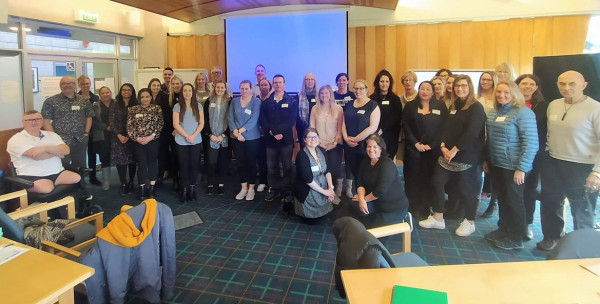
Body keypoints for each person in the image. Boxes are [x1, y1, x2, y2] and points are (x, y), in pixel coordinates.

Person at [537, 70, 600, 251]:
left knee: (582, 208)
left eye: (572, 84)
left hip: (583, 167)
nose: (566, 88)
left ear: (584, 85)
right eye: (562, 84)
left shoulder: (595, 108)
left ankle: (585, 246)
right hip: (554, 162)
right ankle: (552, 238)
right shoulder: (554, 105)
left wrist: (597, 172)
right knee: (550, 202)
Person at [419, 75, 486, 237]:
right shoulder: (455, 105)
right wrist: (442, 146)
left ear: (470, 87)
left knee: (466, 190)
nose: (460, 88)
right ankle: (438, 217)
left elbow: (472, 132)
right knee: (437, 182)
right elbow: (446, 128)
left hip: (466, 155)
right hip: (447, 154)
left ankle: (469, 222)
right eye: (457, 86)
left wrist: (454, 150)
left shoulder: (476, 107)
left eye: (463, 85)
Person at [483, 81, 538, 250]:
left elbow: (531, 143)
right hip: (497, 164)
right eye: (499, 92)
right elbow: (489, 140)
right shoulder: (493, 113)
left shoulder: (524, 113)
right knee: (503, 199)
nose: (502, 95)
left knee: (514, 201)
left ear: (514, 94)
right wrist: (486, 160)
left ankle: (516, 237)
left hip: (515, 167)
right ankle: (504, 229)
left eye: (506, 92)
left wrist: (522, 168)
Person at [402, 81, 449, 219]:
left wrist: (434, 144)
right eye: (422, 88)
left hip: (433, 151)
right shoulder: (410, 106)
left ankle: (426, 206)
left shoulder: (440, 106)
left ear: (433, 92)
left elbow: (444, 127)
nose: (424, 91)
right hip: (413, 149)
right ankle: (413, 206)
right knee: (413, 178)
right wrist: (416, 143)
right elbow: (406, 126)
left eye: (428, 89)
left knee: (429, 178)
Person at [7, 110, 80, 194]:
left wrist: (44, 149)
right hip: (33, 176)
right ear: (23, 122)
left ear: (42, 120)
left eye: (38, 119)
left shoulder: (52, 135)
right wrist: (57, 152)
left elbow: (66, 150)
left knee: (76, 178)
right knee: (47, 188)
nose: (34, 122)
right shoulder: (16, 139)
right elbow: (37, 156)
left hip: (57, 173)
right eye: (30, 120)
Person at [516, 73, 548, 240]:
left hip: (535, 155)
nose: (527, 86)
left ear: (536, 87)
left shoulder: (544, 107)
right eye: (524, 83)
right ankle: (509, 222)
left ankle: (527, 223)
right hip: (513, 153)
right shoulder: (511, 104)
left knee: (529, 189)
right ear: (518, 86)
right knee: (512, 190)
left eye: (531, 84)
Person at [352, 134, 409, 228]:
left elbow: (380, 190)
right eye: (369, 146)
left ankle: (405, 218)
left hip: (393, 207)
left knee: (377, 236)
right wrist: (361, 199)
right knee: (355, 208)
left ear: (381, 148)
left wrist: (363, 200)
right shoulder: (365, 162)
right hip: (375, 202)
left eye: (375, 147)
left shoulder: (387, 164)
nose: (371, 149)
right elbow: (360, 182)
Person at [41, 76, 95, 171]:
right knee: (62, 165)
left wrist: (86, 133)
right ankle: (65, 184)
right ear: (60, 86)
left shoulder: (83, 100)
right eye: (64, 83)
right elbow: (46, 121)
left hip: (80, 139)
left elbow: (89, 117)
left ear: (75, 86)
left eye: (70, 83)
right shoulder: (51, 101)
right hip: (61, 140)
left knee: (80, 165)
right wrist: (54, 138)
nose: (67, 85)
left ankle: (80, 184)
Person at [259, 74, 298, 203]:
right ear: (272, 85)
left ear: (284, 84)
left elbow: (291, 120)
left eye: (280, 82)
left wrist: (279, 131)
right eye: (275, 82)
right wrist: (272, 132)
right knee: (272, 167)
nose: (277, 85)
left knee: (287, 166)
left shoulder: (291, 101)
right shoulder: (266, 102)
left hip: (286, 140)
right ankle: (274, 189)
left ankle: (287, 191)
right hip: (270, 141)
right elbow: (263, 120)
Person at [342, 80, 381, 197]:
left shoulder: (373, 105)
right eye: (355, 88)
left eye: (361, 88)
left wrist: (356, 139)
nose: (358, 91)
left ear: (367, 89)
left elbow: (373, 127)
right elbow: (343, 123)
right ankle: (359, 197)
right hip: (349, 145)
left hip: (365, 146)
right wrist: (345, 138)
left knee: (365, 173)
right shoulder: (349, 104)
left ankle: (367, 198)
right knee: (355, 172)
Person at [127, 88, 163, 199]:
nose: (145, 99)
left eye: (147, 96)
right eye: (142, 97)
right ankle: (142, 187)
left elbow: (160, 124)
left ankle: (152, 187)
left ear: (151, 97)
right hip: (138, 142)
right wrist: (136, 138)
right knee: (141, 164)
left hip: (152, 140)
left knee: (152, 163)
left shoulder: (157, 108)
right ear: (139, 98)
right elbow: (129, 126)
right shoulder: (133, 109)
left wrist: (151, 137)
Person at [229, 80, 262, 201]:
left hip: (252, 138)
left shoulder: (256, 101)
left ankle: (251, 188)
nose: (244, 91)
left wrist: (240, 131)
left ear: (251, 89)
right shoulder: (234, 101)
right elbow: (230, 118)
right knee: (240, 163)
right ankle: (243, 188)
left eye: (246, 88)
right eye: (242, 88)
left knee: (251, 163)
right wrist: (236, 133)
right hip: (236, 138)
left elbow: (254, 120)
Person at [294, 128, 335, 224]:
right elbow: (308, 181)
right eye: (310, 137)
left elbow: (327, 170)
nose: (313, 139)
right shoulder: (301, 155)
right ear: (304, 140)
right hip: (308, 189)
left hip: (323, 186)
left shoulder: (321, 151)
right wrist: (326, 193)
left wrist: (330, 188)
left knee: (328, 215)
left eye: (315, 137)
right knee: (314, 221)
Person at [310, 85, 344, 197]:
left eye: (326, 93)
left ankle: (334, 193)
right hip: (318, 145)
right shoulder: (315, 108)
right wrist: (319, 143)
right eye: (322, 93)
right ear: (319, 95)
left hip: (334, 145)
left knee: (333, 169)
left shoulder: (338, 109)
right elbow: (312, 128)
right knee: (321, 170)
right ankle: (322, 192)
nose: (324, 95)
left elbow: (340, 130)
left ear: (331, 94)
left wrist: (333, 144)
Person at [173, 83, 204, 201]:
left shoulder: (198, 106)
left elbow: (201, 123)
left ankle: (192, 188)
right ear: (182, 92)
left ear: (193, 92)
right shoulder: (177, 106)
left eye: (189, 91)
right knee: (183, 165)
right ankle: (184, 189)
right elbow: (175, 124)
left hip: (195, 140)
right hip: (181, 141)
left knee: (194, 165)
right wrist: (187, 136)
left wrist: (193, 136)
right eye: (185, 91)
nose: (187, 93)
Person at [477, 71, 499, 217]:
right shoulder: (476, 97)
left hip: (492, 138)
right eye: (483, 79)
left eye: (488, 79)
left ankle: (493, 204)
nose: (485, 82)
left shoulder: (498, 97)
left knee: (493, 172)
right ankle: (475, 198)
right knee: (478, 169)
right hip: (478, 138)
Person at [109, 83, 138, 195]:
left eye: (129, 90)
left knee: (132, 161)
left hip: (132, 137)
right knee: (120, 162)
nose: (126, 92)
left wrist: (129, 135)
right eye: (124, 90)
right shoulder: (115, 104)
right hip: (118, 137)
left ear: (132, 91)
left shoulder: (136, 104)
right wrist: (119, 135)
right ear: (121, 92)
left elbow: (138, 122)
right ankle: (123, 183)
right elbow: (111, 121)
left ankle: (131, 182)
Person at [203, 80, 230, 196]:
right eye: (217, 87)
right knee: (211, 162)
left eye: (222, 87)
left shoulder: (229, 102)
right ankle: (210, 183)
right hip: (212, 137)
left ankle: (221, 184)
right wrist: (210, 135)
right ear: (214, 88)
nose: (219, 89)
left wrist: (223, 135)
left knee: (223, 162)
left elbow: (231, 120)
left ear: (225, 89)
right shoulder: (208, 102)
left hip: (224, 137)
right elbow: (204, 120)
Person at [370, 69, 402, 159]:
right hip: (375, 134)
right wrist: (377, 130)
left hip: (390, 136)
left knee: (387, 160)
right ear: (377, 83)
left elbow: (397, 118)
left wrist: (382, 129)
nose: (384, 84)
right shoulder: (372, 98)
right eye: (382, 81)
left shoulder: (395, 99)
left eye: (387, 81)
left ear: (390, 83)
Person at [77, 75, 101, 185]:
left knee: (92, 154)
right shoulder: (75, 98)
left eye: (87, 83)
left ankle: (93, 177)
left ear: (90, 84)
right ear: (79, 85)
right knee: (80, 156)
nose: (85, 86)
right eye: (83, 84)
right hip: (80, 131)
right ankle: (79, 179)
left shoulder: (95, 98)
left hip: (94, 130)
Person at [92, 86, 114, 191]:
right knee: (104, 157)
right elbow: (93, 121)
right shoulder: (95, 106)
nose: (105, 94)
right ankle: (106, 181)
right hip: (102, 135)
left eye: (107, 92)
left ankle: (124, 180)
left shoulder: (117, 104)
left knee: (120, 158)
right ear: (99, 95)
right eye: (103, 93)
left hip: (116, 135)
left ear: (111, 93)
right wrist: (106, 127)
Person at [255, 78, 271, 191]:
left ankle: (272, 182)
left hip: (271, 133)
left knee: (272, 160)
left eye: (266, 85)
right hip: (259, 134)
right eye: (261, 85)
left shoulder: (274, 98)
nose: (263, 87)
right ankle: (263, 181)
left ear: (270, 86)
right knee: (261, 158)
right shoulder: (256, 99)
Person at [297, 73, 318, 148]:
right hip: (303, 129)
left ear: (314, 81)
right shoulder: (298, 97)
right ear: (304, 82)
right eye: (307, 79)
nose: (310, 81)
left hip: (317, 129)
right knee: (304, 151)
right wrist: (306, 127)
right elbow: (297, 116)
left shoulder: (319, 96)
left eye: (312, 79)